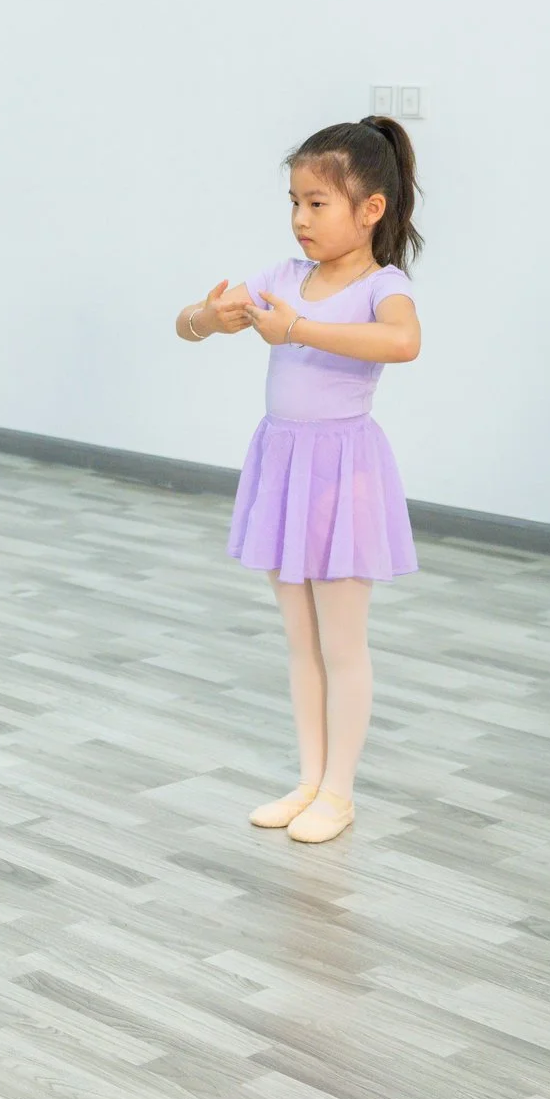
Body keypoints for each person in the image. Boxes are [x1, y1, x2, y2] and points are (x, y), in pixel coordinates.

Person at [175, 117, 424, 846]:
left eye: (318, 203)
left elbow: (404, 341)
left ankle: (339, 793)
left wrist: (299, 330)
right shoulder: (283, 279)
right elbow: (187, 323)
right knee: (300, 643)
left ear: (370, 209)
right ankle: (308, 779)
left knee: (343, 644)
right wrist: (208, 317)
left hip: (343, 474)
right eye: (294, 201)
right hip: (282, 466)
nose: (300, 218)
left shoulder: (384, 284)